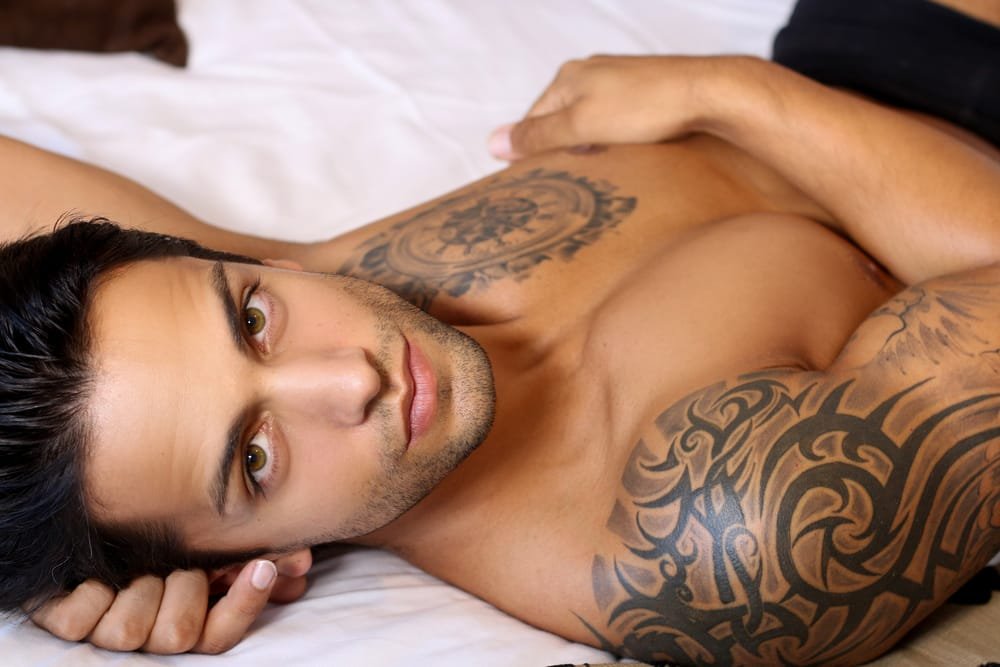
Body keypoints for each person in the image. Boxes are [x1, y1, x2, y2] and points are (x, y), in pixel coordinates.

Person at [4, 0, 1000, 663]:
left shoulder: (306, 274)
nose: (348, 379)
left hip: (872, 35)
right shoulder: (714, 534)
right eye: (256, 458)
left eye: (254, 319)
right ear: (225, 561)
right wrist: (730, 93)